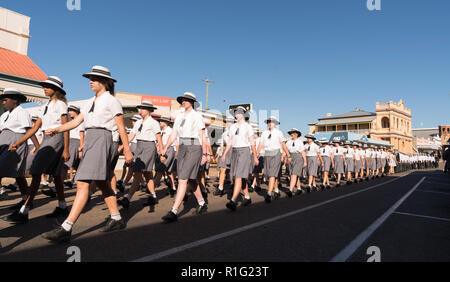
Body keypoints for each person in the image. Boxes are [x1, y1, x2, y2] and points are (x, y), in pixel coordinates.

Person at [40, 66, 133, 243]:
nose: (91, 81)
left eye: (95, 78)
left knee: (82, 182)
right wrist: (57, 129)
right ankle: (117, 219)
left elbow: (121, 127)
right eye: (90, 78)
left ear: (105, 82)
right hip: (91, 139)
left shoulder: (112, 101)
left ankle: (66, 227)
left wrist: (127, 150)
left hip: (104, 139)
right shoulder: (89, 102)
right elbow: (75, 122)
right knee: (102, 183)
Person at [4, 77, 70, 223]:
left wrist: (66, 149)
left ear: (56, 89)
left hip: (56, 138)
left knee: (35, 171)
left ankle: (24, 211)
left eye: (48, 86)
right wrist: (19, 143)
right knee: (57, 175)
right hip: (47, 139)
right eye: (44, 86)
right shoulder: (45, 105)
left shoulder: (60, 105)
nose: (44, 88)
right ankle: (63, 206)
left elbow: (66, 128)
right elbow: (35, 128)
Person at [160, 92, 208, 222]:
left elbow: (202, 135)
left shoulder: (197, 116)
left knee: (182, 179)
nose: (183, 102)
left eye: (186, 100)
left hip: (194, 146)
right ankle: (202, 203)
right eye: (182, 100)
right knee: (191, 179)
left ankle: (174, 210)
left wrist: (205, 153)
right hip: (182, 146)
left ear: (192, 102)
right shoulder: (179, 116)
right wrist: (164, 149)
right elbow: (174, 133)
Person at [118, 101, 164, 210]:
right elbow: (132, 135)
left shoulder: (153, 122)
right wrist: (122, 146)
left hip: (149, 147)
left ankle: (128, 198)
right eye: (140, 108)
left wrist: (162, 152)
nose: (140, 111)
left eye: (143, 109)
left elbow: (158, 138)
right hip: (139, 146)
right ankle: (153, 196)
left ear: (149, 110)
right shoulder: (138, 123)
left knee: (137, 172)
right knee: (147, 174)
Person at [0, 89, 39, 210]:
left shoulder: (22, 112)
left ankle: (24, 199)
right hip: (3, 141)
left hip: (15, 142)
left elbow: (29, 130)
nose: (3, 101)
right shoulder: (4, 115)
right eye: (2, 99)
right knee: (19, 175)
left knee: (14, 171)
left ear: (15, 100)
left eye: (6, 99)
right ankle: (25, 199)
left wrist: (37, 146)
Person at [221, 106, 258, 211]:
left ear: (243, 114)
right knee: (239, 176)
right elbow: (230, 142)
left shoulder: (248, 127)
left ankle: (233, 200)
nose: (237, 114)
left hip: (244, 151)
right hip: (234, 151)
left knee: (238, 176)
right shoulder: (232, 127)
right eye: (236, 112)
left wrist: (255, 156)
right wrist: (224, 154)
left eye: (239, 112)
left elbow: (252, 143)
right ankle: (247, 197)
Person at [257, 116, 291, 203]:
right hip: (267, 154)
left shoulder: (279, 133)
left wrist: (288, 155)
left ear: (275, 123)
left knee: (272, 174)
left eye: (271, 121)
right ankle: (276, 190)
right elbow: (261, 144)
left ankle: (268, 194)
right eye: (268, 121)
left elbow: (283, 144)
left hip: (276, 153)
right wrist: (256, 154)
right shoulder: (264, 133)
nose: (270, 123)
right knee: (269, 174)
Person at [60, 105, 84, 189]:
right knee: (77, 166)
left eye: (71, 111)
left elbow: (82, 135)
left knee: (65, 164)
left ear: (76, 112)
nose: (69, 112)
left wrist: (81, 148)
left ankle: (57, 187)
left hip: (75, 143)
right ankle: (73, 181)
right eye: (68, 111)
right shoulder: (72, 121)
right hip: (70, 142)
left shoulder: (80, 122)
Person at [154, 116, 177, 197]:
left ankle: (151, 189)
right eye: (160, 121)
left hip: (169, 150)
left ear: (166, 122)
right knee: (168, 171)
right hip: (162, 149)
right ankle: (173, 187)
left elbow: (175, 142)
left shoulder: (170, 131)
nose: (160, 122)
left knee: (160, 169)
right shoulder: (161, 131)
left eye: (162, 121)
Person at [213, 117, 234, 196]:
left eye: (230, 122)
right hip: (226, 151)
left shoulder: (236, 132)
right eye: (227, 122)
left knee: (233, 171)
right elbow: (222, 145)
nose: (228, 123)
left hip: (234, 151)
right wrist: (220, 154)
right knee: (222, 169)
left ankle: (234, 186)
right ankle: (220, 188)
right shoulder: (224, 133)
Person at [285, 128, 307, 195]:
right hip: (290, 157)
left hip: (298, 157)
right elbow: (286, 151)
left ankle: (290, 190)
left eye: (294, 133)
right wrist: (284, 158)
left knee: (294, 174)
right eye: (291, 133)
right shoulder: (288, 142)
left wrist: (305, 161)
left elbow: (303, 152)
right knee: (292, 174)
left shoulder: (300, 142)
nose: (292, 134)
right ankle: (299, 188)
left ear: (297, 134)